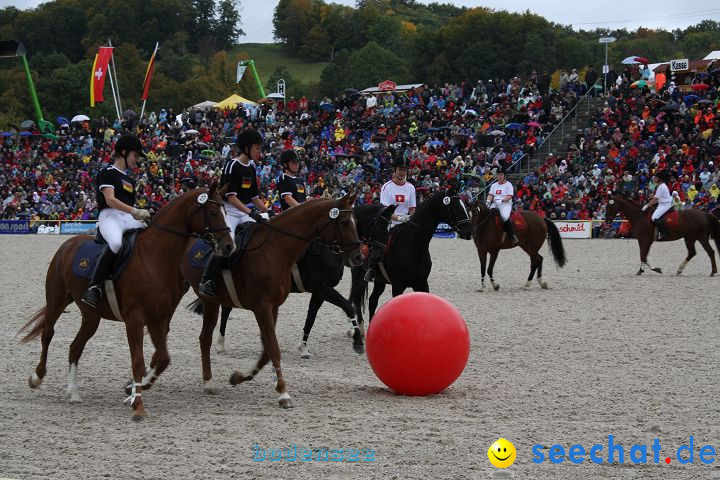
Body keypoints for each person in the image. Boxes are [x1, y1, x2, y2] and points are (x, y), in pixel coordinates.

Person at [198, 129, 271, 297]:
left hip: (245, 210)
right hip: (229, 211)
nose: (260, 152)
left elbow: (253, 197)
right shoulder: (233, 165)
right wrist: (251, 213)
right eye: (257, 148)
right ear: (246, 148)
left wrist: (268, 211)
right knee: (227, 245)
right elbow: (231, 197)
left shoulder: (251, 168)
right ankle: (206, 280)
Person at [81, 134, 151, 307]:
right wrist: (135, 211)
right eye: (135, 156)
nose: (137, 161)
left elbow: (130, 206)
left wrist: (145, 215)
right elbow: (111, 200)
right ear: (124, 152)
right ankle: (94, 287)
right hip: (110, 216)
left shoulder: (129, 180)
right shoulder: (107, 173)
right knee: (116, 243)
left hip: (127, 218)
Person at [364, 156, 416, 282]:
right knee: (380, 244)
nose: (402, 172)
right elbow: (385, 210)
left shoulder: (410, 188)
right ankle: (372, 268)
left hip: (405, 222)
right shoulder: (387, 187)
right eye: (400, 169)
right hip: (390, 222)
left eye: (405, 170)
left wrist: (409, 217)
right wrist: (399, 218)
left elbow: (412, 208)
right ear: (394, 170)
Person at [487, 165, 518, 244]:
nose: (499, 176)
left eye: (501, 174)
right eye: (498, 174)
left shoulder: (509, 185)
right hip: (495, 203)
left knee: (504, 216)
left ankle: (512, 235)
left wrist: (501, 200)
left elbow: (510, 196)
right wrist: (488, 201)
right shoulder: (494, 185)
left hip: (505, 203)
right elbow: (491, 195)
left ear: (504, 175)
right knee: (487, 215)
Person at [642, 169, 672, 240]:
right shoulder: (660, 186)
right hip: (661, 204)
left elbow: (655, 200)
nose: (654, 179)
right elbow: (656, 199)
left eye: (656, 178)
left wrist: (647, 205)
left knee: (654, 217)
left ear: (660, 179)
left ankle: (663, 234)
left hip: (665, 205)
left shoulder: (662, 187)